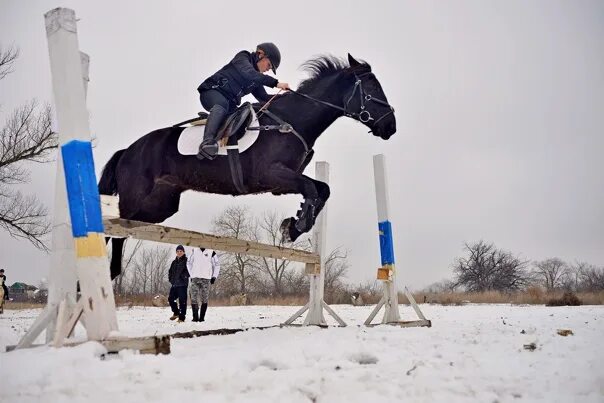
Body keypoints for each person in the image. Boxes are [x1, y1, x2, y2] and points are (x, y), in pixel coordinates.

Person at [196, 42, 290, 160]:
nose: (268, 70)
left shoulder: (256, 79)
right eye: (269, 65)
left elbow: (264, 98)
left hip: (229, 105)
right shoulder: (243, 57)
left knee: (240, 118)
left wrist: (286, 97)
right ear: (261, 54)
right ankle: (207, 143)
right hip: (211, 93)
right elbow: (250, 74)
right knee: (222, 105)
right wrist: (276, 83)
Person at [187, 247, 220, 322]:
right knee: (193, 298)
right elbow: (188, 263)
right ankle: (195, 317)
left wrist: (214, 276)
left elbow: (217, 265)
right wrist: (192, 274)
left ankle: (202, 318)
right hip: (195, 278)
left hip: (206, 279)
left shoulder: (212, 252)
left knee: (204, 299)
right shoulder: (194, 250)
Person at [168, 245, 189, 322]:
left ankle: (182, 317)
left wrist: (184, 276)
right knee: (171, 299)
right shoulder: (174, 262)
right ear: (176, 252)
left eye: (181, 251)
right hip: (174, 284)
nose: (179, 252)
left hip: (182, 285)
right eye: (178, 251)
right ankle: (176, 312)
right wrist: (171, 280)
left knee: (182, 301)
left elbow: (189, 271)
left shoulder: (187, 261)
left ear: (183, 252)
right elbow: (170, 272)